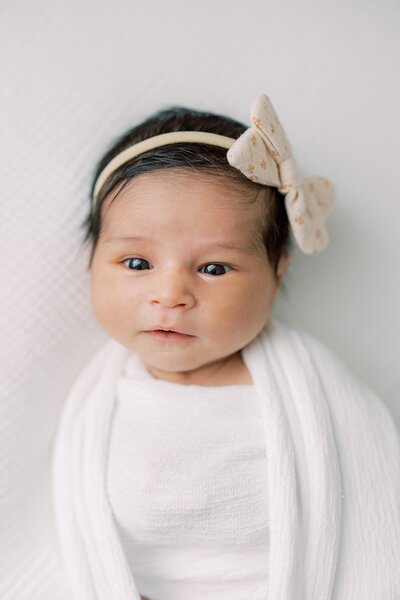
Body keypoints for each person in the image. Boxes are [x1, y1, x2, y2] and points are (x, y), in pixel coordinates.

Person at [52, 94, 400, 600]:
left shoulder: (315, 393)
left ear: (277, 271)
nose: (169, 295)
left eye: (213, 268)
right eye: (135, 263)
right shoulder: (93, 406)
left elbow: (379, 511)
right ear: (91, 260)